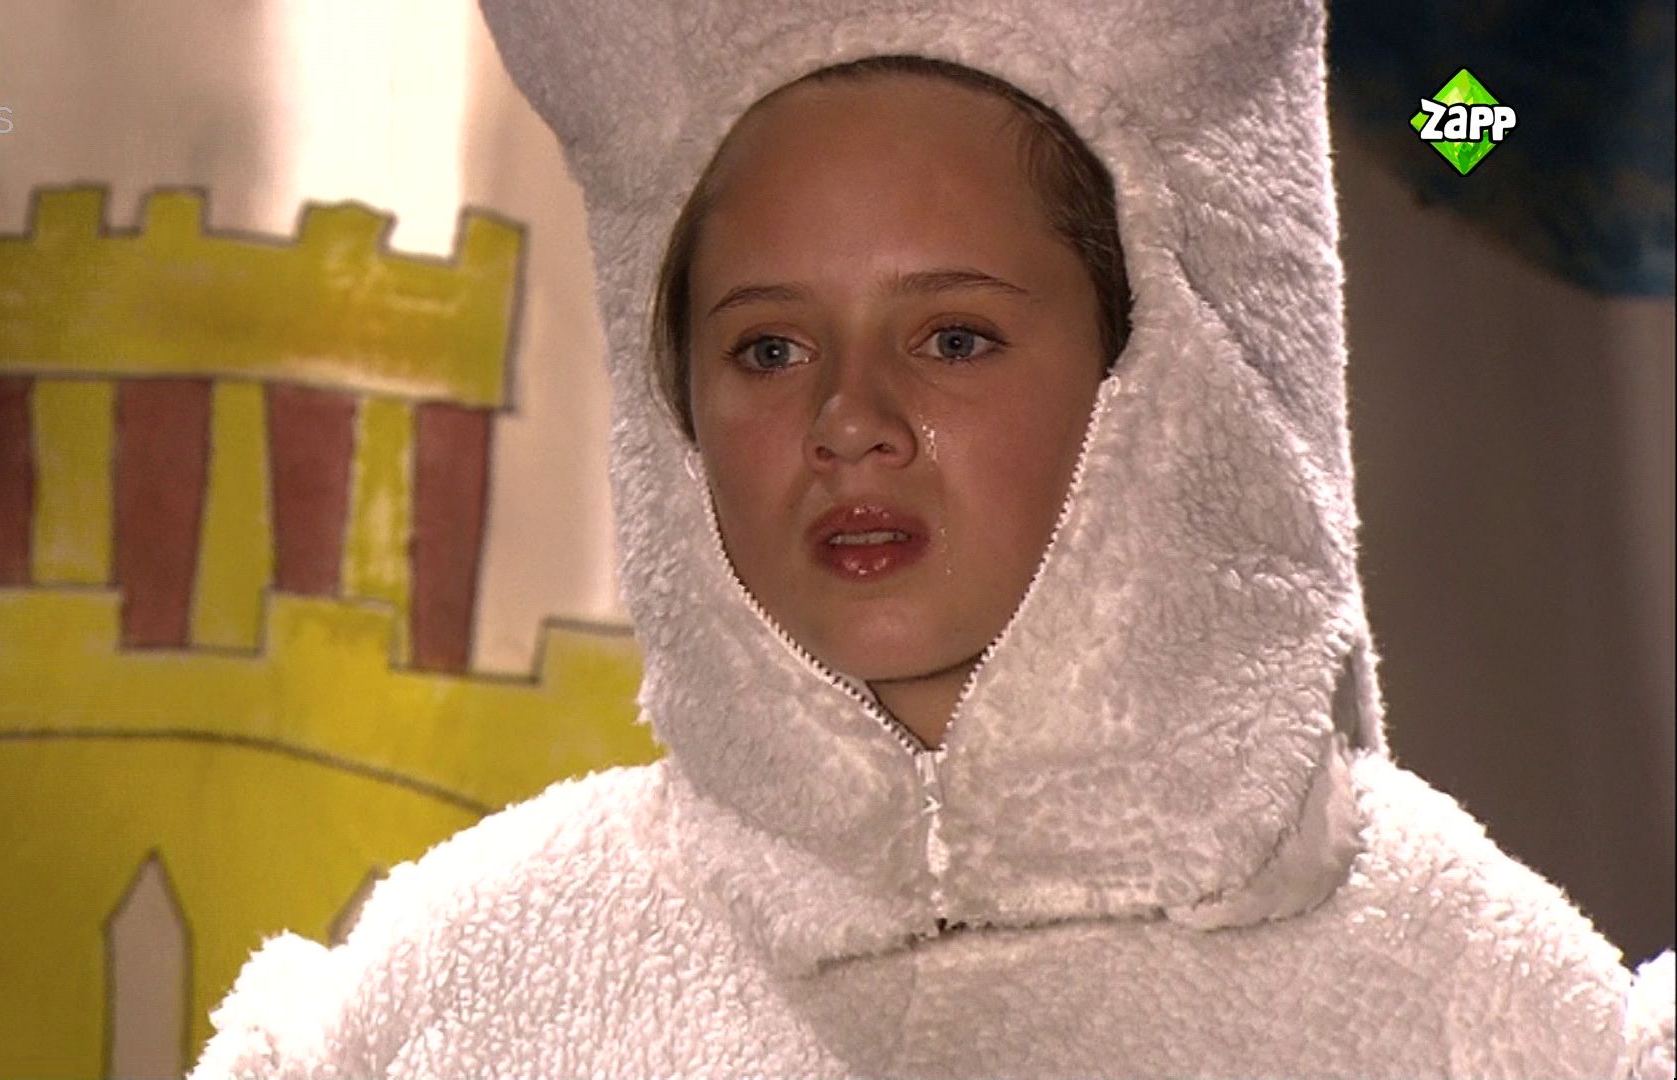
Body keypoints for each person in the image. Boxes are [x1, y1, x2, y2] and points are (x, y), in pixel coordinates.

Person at [192, 1, 1675, 1077]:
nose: (848, 420)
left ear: (1154, 382)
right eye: (768, 349)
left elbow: (1489, 117)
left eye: (953, 336)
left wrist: (1464, 114)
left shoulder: (1470, 997)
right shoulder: (450, 991)